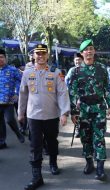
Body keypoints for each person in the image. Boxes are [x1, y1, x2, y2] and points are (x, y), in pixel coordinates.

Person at [18, 44, 70, 190]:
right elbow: (23, 94)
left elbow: (62, 93)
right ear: (33, 55)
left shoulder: (56, 72)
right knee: (35, 145)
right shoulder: (27, 73)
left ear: (47, 55)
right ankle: (37, 177)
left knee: (51, 142)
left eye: (43, 53)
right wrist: (20, 113)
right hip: (33, 116)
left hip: (51, 115)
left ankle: (53, 163)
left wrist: (64, 112)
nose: (40, 56)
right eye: (37, 53)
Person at [68, 39, 110, 181]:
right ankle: (89, 163)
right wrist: (74, 112)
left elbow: (107, 88)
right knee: (85, 138)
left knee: (99, 137)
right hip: (83, 110)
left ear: (94, 51)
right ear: (81, 53)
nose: (89, 52)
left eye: (91, 49)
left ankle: (100, 169)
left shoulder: (101, 68)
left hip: (99, 108)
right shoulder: (76, 71)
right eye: (86, 50)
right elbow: (73, 93)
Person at [0, 48, 25, 150]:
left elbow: (22, 80)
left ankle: (18, 133)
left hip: (9, 101)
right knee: (0, 123)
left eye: (1, 57)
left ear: (6, 58)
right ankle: (2, 142)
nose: (0, 59)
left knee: (10, 120)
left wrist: (17, 92)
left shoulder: (12, 70)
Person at [65, 53, 83, 138]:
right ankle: (77, 129)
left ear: (82, 60)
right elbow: (66, 81)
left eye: (79, 60)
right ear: (74, 61)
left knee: (83, 113)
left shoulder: (85, 69)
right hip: (73, 96)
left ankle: (84, 129)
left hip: (83, 96)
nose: (77, 61)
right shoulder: (71, 70)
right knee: (75, 114)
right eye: (76, 60)